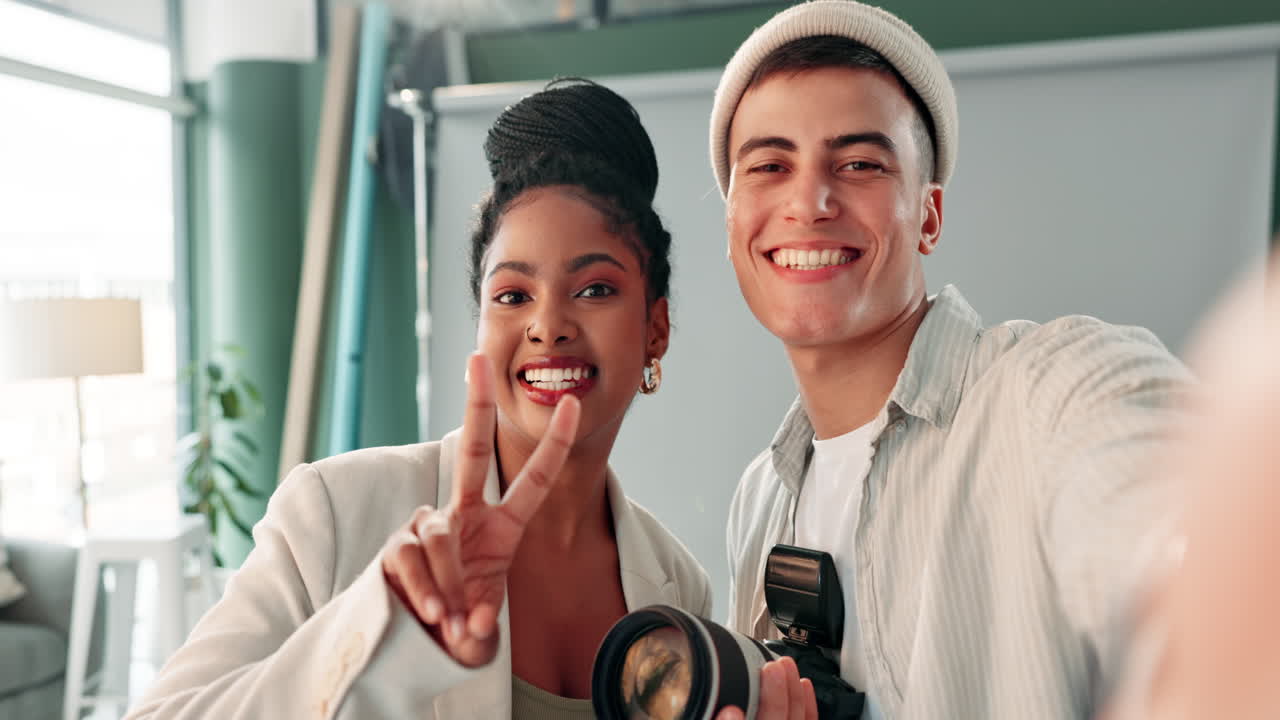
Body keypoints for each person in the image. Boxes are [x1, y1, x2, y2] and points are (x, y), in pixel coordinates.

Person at [123, 78, 710, 720]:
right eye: (512, 296)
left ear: (656, 329)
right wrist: (389, 635)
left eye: (595, 289)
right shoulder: (335, 514)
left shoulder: (679, 588)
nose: (548, 325)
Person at [708, 2, 1192, 718]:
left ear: (928, 215)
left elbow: (1205, 560)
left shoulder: (1054, 394)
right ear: (732, 225)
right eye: (771, 165)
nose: (809, 200)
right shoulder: (759, 498)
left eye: (860, 163)